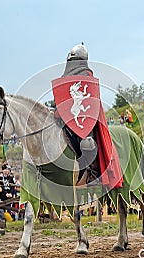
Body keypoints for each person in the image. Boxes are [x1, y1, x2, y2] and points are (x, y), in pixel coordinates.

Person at [52, 43, 123, 190]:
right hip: (66, 120)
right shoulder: (64, 78)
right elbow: (62, 98)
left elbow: (89, 98)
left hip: (85, 119)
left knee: (88, 142)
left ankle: (93, 172)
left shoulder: (87, 76)